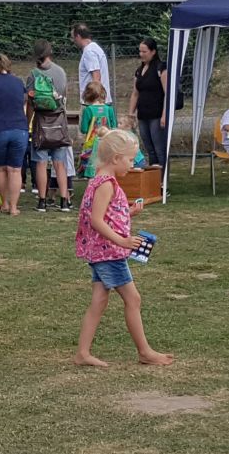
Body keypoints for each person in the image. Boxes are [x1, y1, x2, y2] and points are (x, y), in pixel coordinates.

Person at [73, 130, 171, 368]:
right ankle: (145, 352)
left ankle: (83, 353)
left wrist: (129, 212)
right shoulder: (106, 184)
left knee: (99, 300)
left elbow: (107, 214)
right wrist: (123, 241)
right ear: (116, 158)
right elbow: (96, 220)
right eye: (130, 159)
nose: (133, 164)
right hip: (108, 253)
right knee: (133, 299)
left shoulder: (98, 179)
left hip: (101, 252)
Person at [28, 40, 74, 211]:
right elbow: (64, 97)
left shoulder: (33, 74)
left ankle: (42, 201)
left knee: (41, 163)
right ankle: (64, 201)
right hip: (59, 122)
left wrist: (28, 121)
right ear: (50, 53)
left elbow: (30, 102)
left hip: (41, 122)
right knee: (59, 163)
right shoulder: (60, 72)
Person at [0, 53, 29, 216]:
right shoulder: (18, 82)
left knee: (1, 168)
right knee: (15, 169)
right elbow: (24, 101)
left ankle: (5, 204)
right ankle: (14, 207)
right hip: (19, 129)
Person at [132, 36, 168, 171]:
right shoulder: (139, 71)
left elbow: (167, 93)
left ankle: (163, 177)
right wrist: (131, 113)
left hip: (156, 114)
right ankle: (153, 176)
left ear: (153, 52)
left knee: (159, 148)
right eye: (140, 51)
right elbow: (135, 93)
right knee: (149, 148)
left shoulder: (161, 68)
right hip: (143, 114)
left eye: (144, 51)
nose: (141, 54)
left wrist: (164, 115)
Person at [77, 80, 117, 177]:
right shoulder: (109, 109)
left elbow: (84, 129)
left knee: (92, 166)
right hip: (107, 141)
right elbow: (114, 126)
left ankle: (92, 181)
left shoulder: (88, 110)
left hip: (92, 143)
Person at [73, 22, 111, 106]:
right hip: (100, 101)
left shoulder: (89, 51)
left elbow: (96, 76)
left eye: (74, 38)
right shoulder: (95, 48)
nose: (74, 41)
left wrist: (95, 103)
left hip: (93, 102)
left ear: (78, 36)